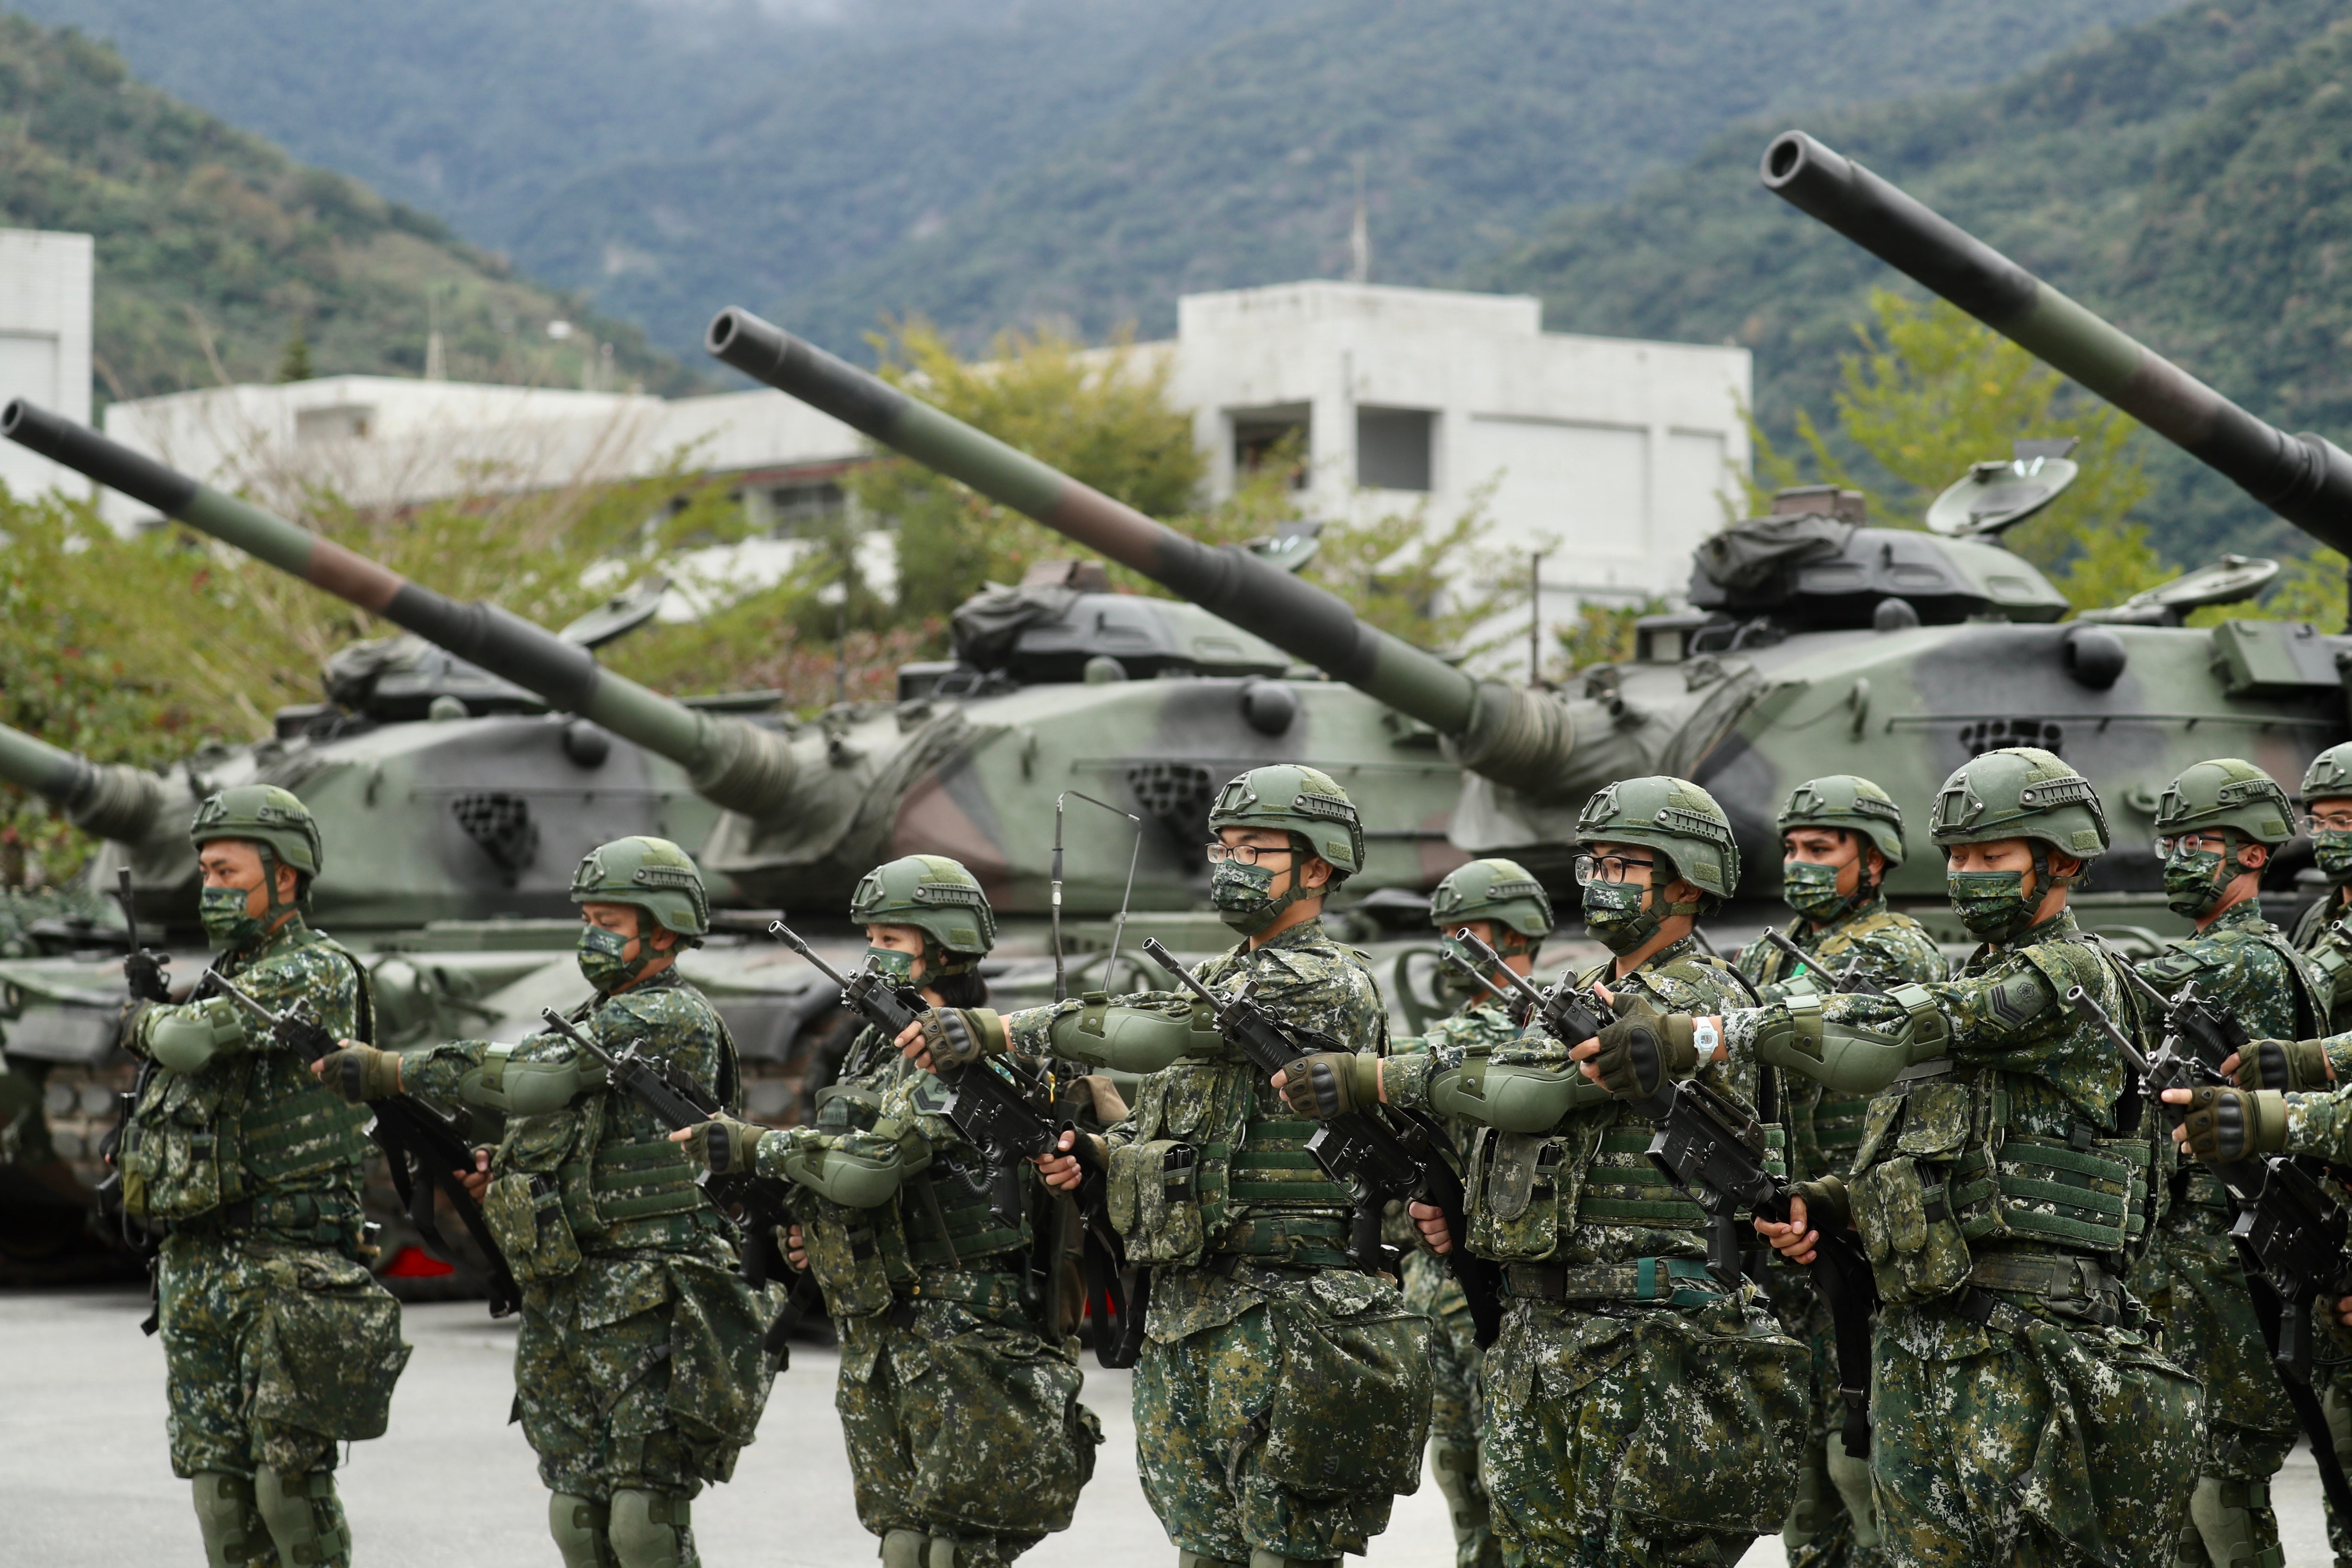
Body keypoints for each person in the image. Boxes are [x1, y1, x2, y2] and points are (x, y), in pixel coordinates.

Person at [1593, 747, 2199, 1565]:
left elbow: (1892, 1032)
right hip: (1929, 1331)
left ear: (2059, 863)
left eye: (1992, 857)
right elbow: (1944, 1142)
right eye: (1956, 856)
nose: (1965, 873)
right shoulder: (1985, 973)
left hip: (2027, 1341)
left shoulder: (2065, 976)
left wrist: (1694, 1035)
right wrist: (1835, 1202)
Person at [912, 765, 1431, 1568]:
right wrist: (1095, 1156)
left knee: (1284, 1554)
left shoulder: (1323, 980)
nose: (1231, 863)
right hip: (1194, 1312)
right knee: (1205, 1553)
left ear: (1319, 867)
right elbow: (1179, 1128)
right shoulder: (1224, 976)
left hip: (1292, 1315)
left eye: (1255, 849)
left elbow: (1156, 1034)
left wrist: (1002, 1029)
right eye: (1223, 846)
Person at [1281, 776, 1808, 1563]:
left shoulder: (1688, 1003)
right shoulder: (1610, 995)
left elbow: (1528, 1085)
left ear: (1687, 880)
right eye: (1592, 864)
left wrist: (1374, 1077)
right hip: (1553, 1338)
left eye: (1624, 865)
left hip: (1647, 1345)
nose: (1598, 883)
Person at [318, 836, 768, 1568]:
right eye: (587, 918)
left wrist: (394, 1070)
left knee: (643, 1521)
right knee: (577, 1515)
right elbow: (567, 1133)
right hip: (568, 1292)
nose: (591, 937)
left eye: (610, 922)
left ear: (663, 929)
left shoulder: (666, 1016)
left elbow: (534, 1080)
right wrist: (506, 1179)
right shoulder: (595, 1016)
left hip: (650, 1293)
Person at [683, 854, 1102, 1568]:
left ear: (943, 946)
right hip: (885, 1324)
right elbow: (842, 1162)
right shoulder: (877, 1050)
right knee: (903, 1543)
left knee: (958, 1549)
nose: (874, 955)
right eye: (870, 937)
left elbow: (874, 1169)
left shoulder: (966, 1061)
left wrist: (757, 1147)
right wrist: (807, 1227)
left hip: (964, 1329)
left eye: (893, 941)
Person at [116, 785, 405, 1568]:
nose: (212, 888)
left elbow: (185, 1044)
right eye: (204, 872)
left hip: (286, 1266)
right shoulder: (228, 972)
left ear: (285, 875)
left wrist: (141, 1017)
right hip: (199, 1263)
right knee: (219, 1491)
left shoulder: (312, 970)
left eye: (226, 870)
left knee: (288, 1491)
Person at [1733, 775, 1945, 1568]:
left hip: (1854, 1224)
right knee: (1798, 1468)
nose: (1800, 863)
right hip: (1780, 1224)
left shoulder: (1898, 947)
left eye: (1821, 849)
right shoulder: (1770, 946)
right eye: (1792, 848)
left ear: (1876, 860)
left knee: (1858, 1457)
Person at [2135, 759, 2326, 1568]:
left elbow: (2126, 992)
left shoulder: (2234, 960)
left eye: (2198, 843)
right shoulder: (2259, 951)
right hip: (2205, 1244)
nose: (2176, 857)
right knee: (2188, 1486)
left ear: (2253, 855)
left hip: (2222, 1249)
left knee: (2220, 1488)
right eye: (2167, 842)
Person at [1410, 857, 1554, 1568]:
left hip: (1497, 1286)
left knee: (1514, 1476)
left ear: (1514, 932)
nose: (1450, 949)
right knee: (1459, 1472)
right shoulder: (1453, 1026)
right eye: (1444, 934)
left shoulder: (1528, 1024)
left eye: (1465, 932)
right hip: (1434, 1284)